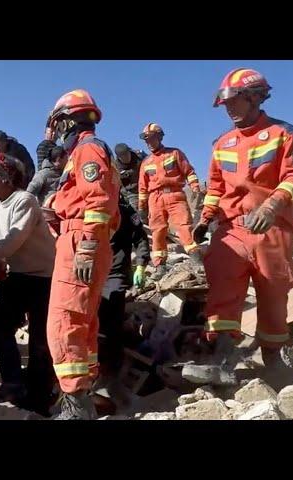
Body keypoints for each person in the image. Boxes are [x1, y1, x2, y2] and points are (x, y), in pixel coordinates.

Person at [183, 68, 293, 386]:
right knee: (223, 284)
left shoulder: (285, 133)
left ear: (254, 97)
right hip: (231, 228)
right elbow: (214, 187)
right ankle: (222, 360)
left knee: (273, 290)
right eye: (225, 103)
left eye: (234, 101)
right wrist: (205, 217)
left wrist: (272, 205)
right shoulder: (222, 143)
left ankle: (273, 358)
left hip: (272, 227)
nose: (228, 108)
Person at [43, 89, 121, 420]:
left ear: (67, 121)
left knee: (64, 322)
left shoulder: (87, 150)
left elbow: (98, 202)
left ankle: (76, 406)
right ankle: (83, 396)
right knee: (84, 323)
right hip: (80, 239)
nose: (55, 133)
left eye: (57, 125)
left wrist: (86, 245)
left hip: (80, 242)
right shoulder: (88, 152)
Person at [0, 152, 57, 416]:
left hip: (41, 278)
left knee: (39, 339)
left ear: (5, 178)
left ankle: (39, 394)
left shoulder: (25, 201)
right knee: (0, 330)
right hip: (16, 276)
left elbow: (8, 244)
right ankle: (13, 381)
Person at [96, 194, 150, 392]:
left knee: (111, 321)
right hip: (90, 272)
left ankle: (111, 371)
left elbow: (141, 239)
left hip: (115, 273)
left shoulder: (126, 212)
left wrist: (141, 266)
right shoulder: (89, 207)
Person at [137, 122, 203, 280]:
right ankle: (160, 266)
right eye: (146, 139)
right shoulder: (146, 163)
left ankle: (197, 261)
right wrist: (141, 208)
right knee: (157, 231)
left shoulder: (174, 154)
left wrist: (195, 188)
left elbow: (189, 172)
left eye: (151, 138)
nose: (148, 142)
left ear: (159, 137)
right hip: (155, 199)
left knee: (184, 227)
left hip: (175, 195)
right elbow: (142, 187)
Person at [27, 140, 68, 206]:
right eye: (66, 158)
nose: (68, 161)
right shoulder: (43, 174)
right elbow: (29, 192)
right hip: (48, 211)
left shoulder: (65, 173)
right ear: (59, 160)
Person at [113, 143, 143, 211]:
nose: (126, 158)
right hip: (130, 192)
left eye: (127, 154)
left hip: (143, 188)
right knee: (137, 210)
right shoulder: (115, 167)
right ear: (119, 157)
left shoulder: (139, 157)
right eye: (123, 157)